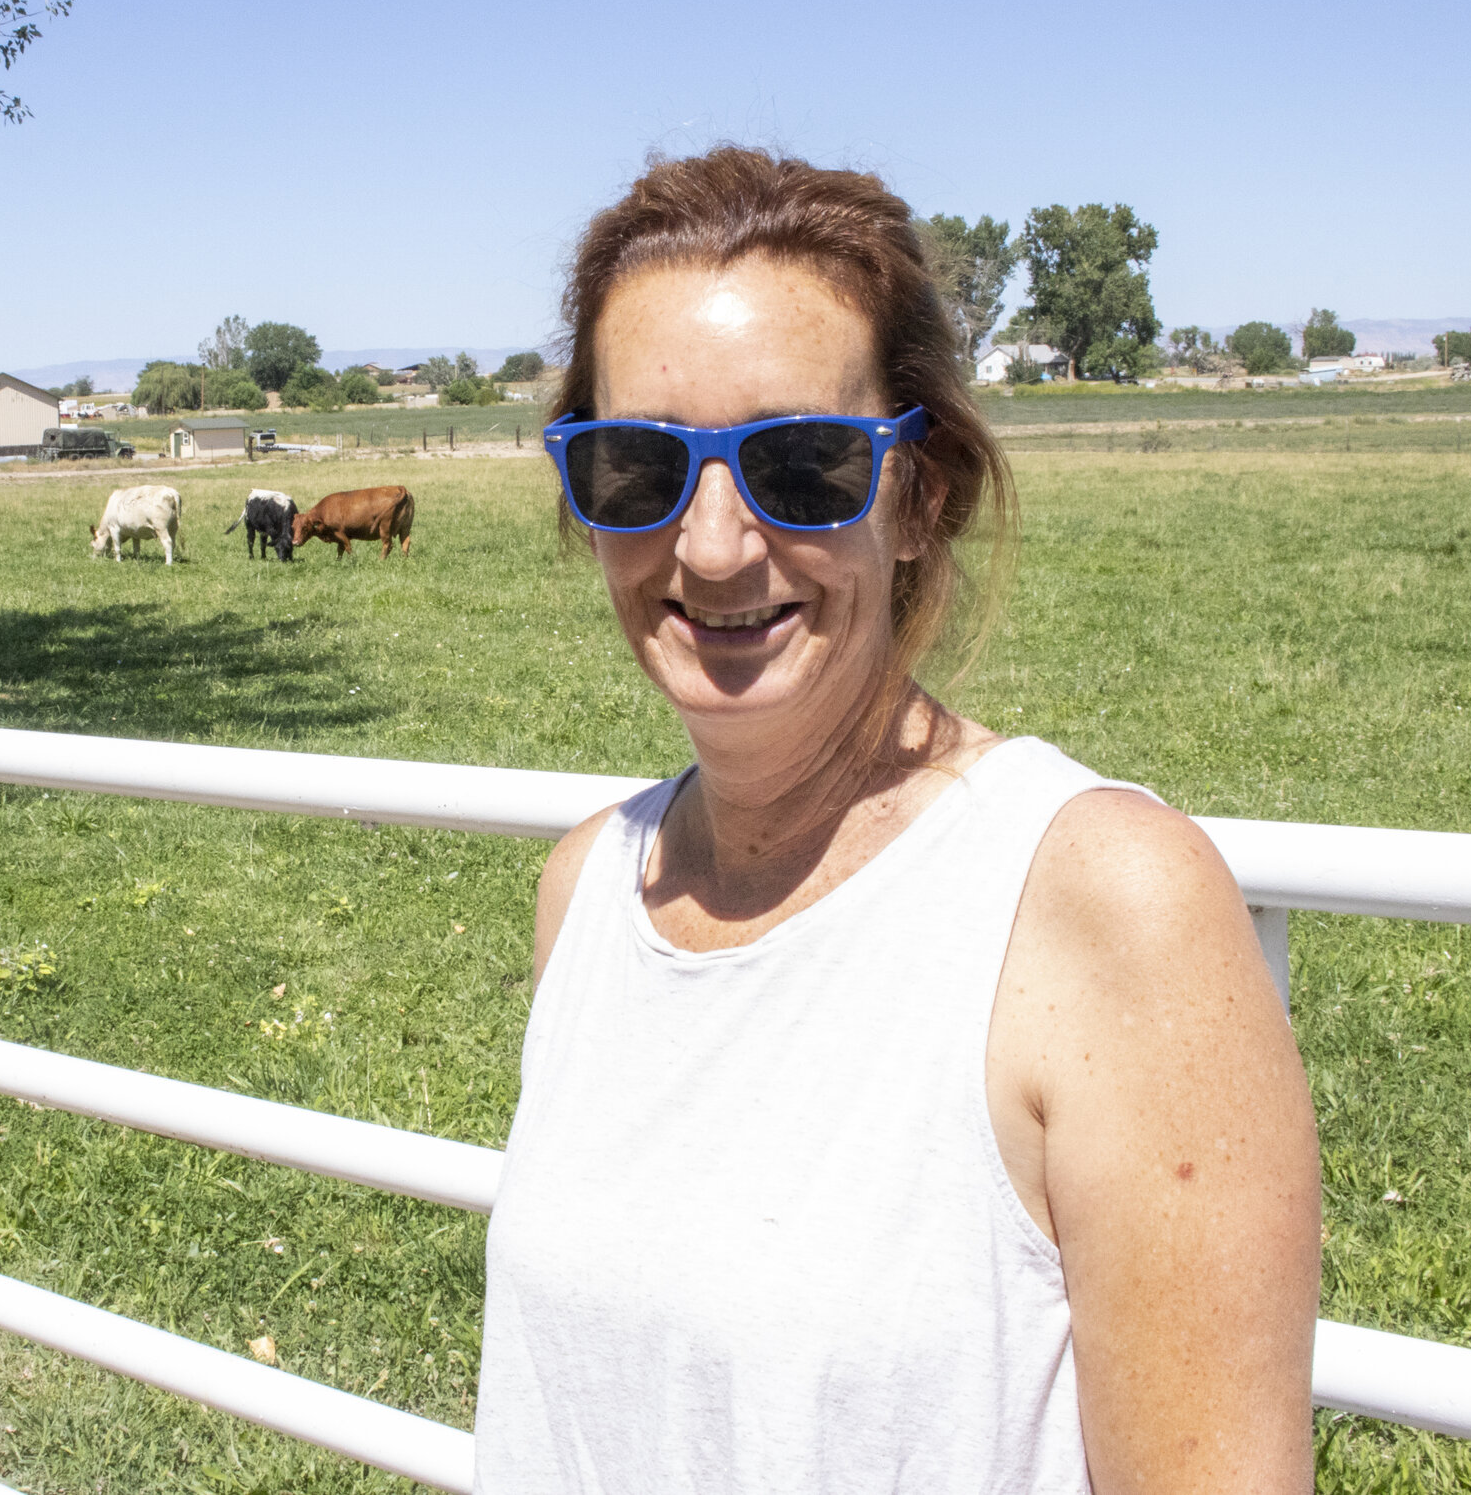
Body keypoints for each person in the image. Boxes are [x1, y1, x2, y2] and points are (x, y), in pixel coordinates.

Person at [475, 148, 1320, 1494]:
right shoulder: (589, 892)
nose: (710, 546)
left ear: (923, 495)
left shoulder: (1100, 906)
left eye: (801, 465)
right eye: (638, 467)